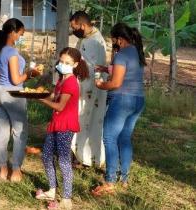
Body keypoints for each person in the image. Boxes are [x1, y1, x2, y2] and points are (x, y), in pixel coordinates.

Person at [92, 23, 146, 195]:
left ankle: (109, 181)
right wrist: (106, 68)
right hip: (138, 100)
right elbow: (127, 72)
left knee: (109, 138)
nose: (112, 43)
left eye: (113, 40)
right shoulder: (135, 51)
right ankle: (124, 178)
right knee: (124, 138)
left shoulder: (122, 54)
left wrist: (101, 84)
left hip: (122, 99)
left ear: (119, 39)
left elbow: (115, 83)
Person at [35, 47, 89, 209]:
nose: (63, 64)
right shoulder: (61, 79)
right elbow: (54, 95)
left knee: (64, 161)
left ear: (75, 64)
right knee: (46, 155)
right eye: (61, 61)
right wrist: (40, 93)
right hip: (56, 123)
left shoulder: (71, 82)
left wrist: (41, 99)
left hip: (65, 126)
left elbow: (59, 106)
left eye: (68, 63)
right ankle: (52, 190)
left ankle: (66, 199)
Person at [0, 18, 41, 182]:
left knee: (2, 131)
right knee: (20, 132)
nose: (22, 36)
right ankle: (16, 171)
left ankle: (3, 169)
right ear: (13, 32)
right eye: (21, 33)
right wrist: (31, 74)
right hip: (13, 94)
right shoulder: (12, 53)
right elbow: (15, 79)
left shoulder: (0, 51)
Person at [69, 11, 107, 167]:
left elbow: (88, 68)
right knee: (89, 122)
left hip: (87, 89)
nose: (73, 30)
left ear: (82, 25)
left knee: (83, 120)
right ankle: (83, 156)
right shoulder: (94, 37)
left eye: (74, 27)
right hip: (93, 88)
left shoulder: (92, 42)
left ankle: (83, 157)